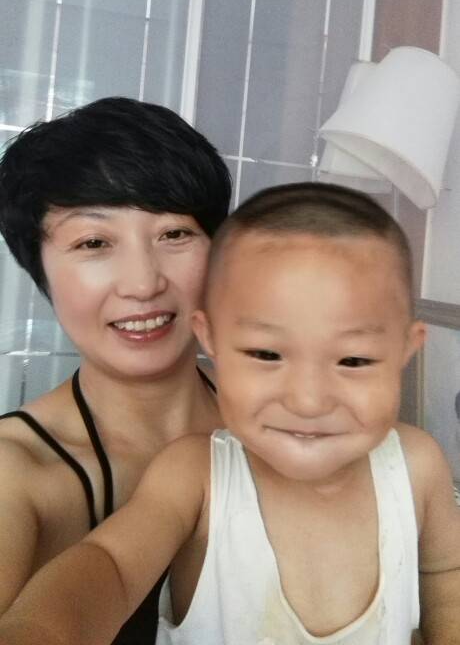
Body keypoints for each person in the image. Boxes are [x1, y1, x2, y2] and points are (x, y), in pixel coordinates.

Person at [1, 182, 460, 645]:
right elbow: (110, 566)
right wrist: (36, 630)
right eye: (266, 354)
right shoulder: (195, 473)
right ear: (212, 340)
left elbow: (447, 576)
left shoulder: (417, 465)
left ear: (406, 349)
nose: (308, 400)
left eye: (353, 360)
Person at [0, 97, 231, 642]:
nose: (143, 283)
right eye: (95, 242)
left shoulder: (292, 417)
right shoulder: (17, 474)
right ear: (39, 271)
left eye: (175, 234)